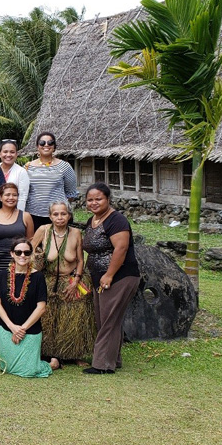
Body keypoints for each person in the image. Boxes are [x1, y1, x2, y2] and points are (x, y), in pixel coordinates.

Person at [82, 183, 141, 375]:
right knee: (105, 319)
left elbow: (121, 249)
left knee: (108, 319)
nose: (94, 203)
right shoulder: (92, 220)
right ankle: (113, 359)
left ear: (108, 199)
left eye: (98, 199)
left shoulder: (117, 220)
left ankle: (102, 365)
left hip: (119, 277)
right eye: (90, 199)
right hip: (99, 277)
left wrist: (109, 274)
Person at [31, 201, 94, 363]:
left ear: (69, 215)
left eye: (63, 214)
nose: (60, 218)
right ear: (50, 216)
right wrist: (36, 260)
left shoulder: (75, 233)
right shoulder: (43, 231)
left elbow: (80, 260)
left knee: (73, 319)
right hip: (48, 280)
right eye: (56, 214)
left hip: (71, 279)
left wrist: (76, 281)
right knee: (48, 318)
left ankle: (73, 354)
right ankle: (47, 353)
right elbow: (28, 250)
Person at [0, 238, 60, 377]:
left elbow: (41, 307)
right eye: (18, 252)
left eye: (26, 252)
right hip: (8, 329)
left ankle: (51, 364)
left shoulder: (38, 277)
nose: (22, 255)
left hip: (30, 331)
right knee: (7, 368)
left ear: (31, 254)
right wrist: (12, 327)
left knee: (28, 371)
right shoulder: (2, 275)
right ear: (12, 254)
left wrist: (22, 329)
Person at [0, 182, 34, 344]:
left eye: (14, 195)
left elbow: (30, 243)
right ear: (1, 197)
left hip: (18, 263)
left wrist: (29, 266)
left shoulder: (25, 216)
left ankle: (14, 340)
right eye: (7, 195)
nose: (11, 198)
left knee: (16, 300)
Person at [25, 132, 78, 229]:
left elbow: (71, 193)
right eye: (42, 142)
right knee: (35, 243)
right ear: (37, 146)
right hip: (33, 215)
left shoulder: (65, 166)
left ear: (54, 147)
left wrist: (58, 207)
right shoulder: (28, 167)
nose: (46, 145)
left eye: (50, 143)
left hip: (58, 216)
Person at [0, 139, 30, 212]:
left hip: (13, 211)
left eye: (12, 152)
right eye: (5, 152)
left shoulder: (21, 172)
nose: (8, 155)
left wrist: (19, 215)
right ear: (0, 154)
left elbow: (22, 197)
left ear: (16, 154)